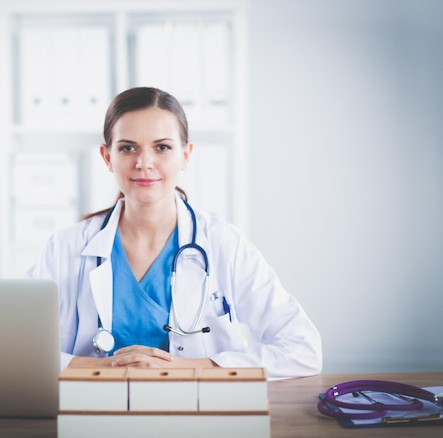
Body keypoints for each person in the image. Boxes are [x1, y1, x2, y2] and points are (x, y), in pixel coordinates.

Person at [25, 87, 322, 379]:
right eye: (128, 148)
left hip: (198, 415)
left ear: (186, 155)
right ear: (107, 157)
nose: (144, 162)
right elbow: (17, 349)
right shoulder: (65, 247)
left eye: (162, 147)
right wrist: (98, 371)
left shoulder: (224, 245)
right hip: (91, 412)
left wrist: (186, 368)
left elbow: (303, 349)